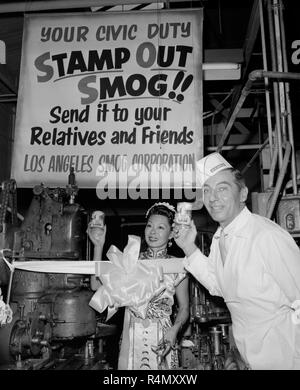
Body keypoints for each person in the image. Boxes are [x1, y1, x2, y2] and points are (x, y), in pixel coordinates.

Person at [174, 152, 300, 370]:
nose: (212, 198)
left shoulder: (266, 236)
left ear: (242, 194)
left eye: (222, 189)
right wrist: (189, 248)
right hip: (250, 356)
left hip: (284, 355)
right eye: (207, 191)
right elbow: (218, 286)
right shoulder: (220, 238)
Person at [88, 203, 189, 370]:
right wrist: (98, 246)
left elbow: (185, 307)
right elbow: (95, 285)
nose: (153, 232)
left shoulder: (178, 266)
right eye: (149, 225)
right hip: (131, 339)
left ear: (171, 234)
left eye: (160, 227)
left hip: (164, 339)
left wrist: (174, 331)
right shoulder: (130, 260)